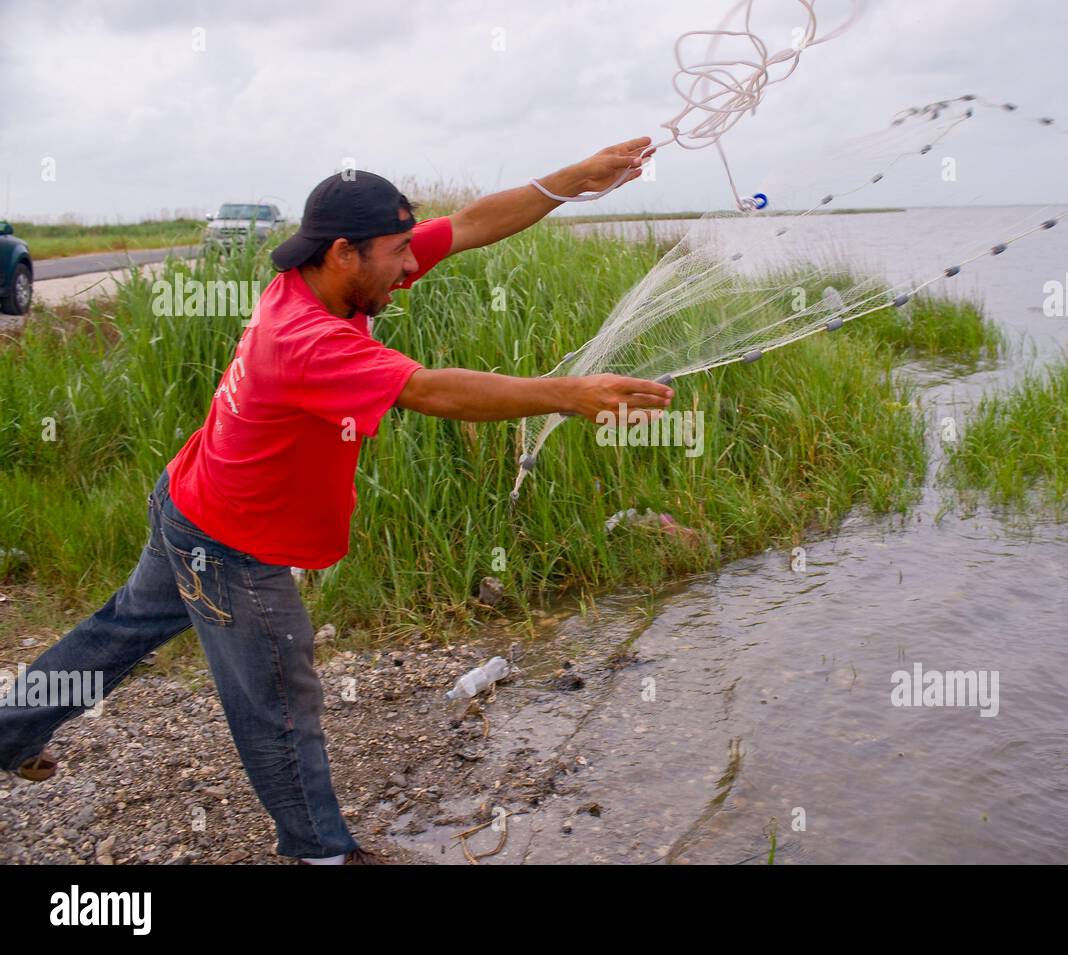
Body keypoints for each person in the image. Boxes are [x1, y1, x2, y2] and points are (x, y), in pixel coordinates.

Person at [0, 139, 672, 865]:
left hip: (191, 495)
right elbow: (430, 388)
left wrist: (576, 179)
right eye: (399, 251)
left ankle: (8, 731)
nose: (414, 264)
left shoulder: (319, 279)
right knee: (280, 698)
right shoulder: (305, 338)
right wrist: (570, 394)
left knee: (122, 628)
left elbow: (474, 222)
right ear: (347, 252)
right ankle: (322, 852)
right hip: (229, 542)